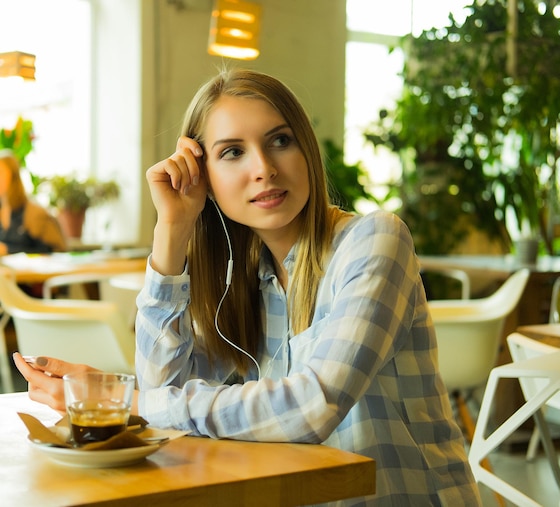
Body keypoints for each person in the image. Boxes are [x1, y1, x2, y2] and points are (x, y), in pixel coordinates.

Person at [14, 68, 481, 506]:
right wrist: (173, 229)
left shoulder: (373, 241)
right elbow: (167, 388)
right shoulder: (242, 275)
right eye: (232, 152)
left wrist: (123, 402)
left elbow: (313, 405)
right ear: (206, 179)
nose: (263, 168)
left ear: (307, 152)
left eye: (280, 140)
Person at [0, 149, 67, 255]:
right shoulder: (3, 210)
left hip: (31, 270)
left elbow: (54, 250)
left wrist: (8, 250)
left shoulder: (34, 213)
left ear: (12, 176)